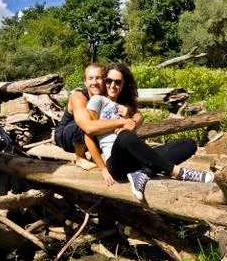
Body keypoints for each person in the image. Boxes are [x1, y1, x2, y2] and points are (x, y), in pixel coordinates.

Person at [85, 63, 214, 201]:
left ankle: (143, 173)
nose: (112, 85)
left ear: (123, 85)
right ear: (105, 81)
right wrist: (102, 168)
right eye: (109, 81)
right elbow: (89, 134)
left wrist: (129, 118)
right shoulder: (97, 100)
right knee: (124, 136)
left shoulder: (124, 106)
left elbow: (138, 118)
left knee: (189, 144)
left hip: (137, 159)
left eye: (117, 82)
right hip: (116, 162)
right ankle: (178, 172)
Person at [54, 63, 143, 170]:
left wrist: (132, 122)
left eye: (98, 78)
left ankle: (94, 156)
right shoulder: (79, 97)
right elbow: (87, 127)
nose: (94, 82)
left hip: (88, 136)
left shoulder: (108, 93)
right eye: (90, 78)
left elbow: (139, 114)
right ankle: (80, 157)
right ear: (85, 82)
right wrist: (123, 122)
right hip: (67, 135)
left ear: (104, 80)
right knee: (85, 125)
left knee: (104, 123)